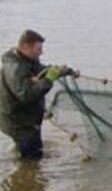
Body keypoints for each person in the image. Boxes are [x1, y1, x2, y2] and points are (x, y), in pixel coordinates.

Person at [0, 30, 69, 159]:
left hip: (28, 120)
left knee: (34, 155)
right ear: (26, 47)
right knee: (31, 159)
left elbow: (40, 71)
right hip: (20, 123)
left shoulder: (27, 60)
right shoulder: (15, 68)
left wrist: (61, 71)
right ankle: (25, 174)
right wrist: (48, 80)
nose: (41, 52)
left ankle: (24, 174)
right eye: (38, 49)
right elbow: (25, 95)